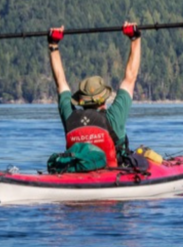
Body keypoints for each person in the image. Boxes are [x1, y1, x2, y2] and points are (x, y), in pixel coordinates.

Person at [48, 21, 141, 168]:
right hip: (113, 175)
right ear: (103, 98)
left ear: (80, 100)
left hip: (78, 175)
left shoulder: (70, 117)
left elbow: (60, 82)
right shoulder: (113, 117)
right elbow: (130, 77)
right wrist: (135, 38)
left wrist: (53, 45)